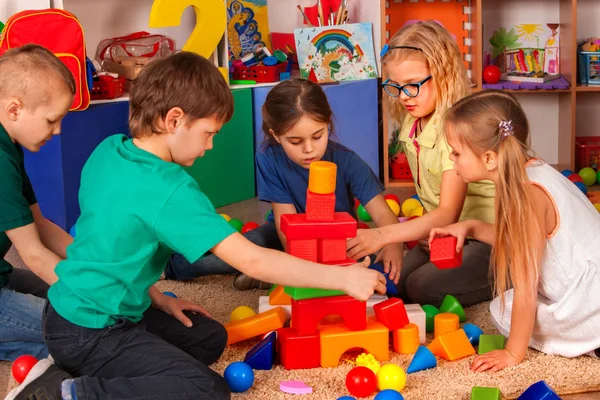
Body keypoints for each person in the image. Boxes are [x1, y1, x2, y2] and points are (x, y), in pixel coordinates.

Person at [10, 52, 386, 400]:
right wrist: (343, 278)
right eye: (208, 134)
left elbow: (111, 245)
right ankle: (63, 391)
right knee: (204, 388)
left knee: (208, 338)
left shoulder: (110, 149)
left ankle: (75, 364)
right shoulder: (171, 190)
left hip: (69, 313)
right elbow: (252, 261)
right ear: (174, 120)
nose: (209, 147)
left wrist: (156, 297)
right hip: (90, 330)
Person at [166, 78, 404, 290]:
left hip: (336, 239)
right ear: (276, 135)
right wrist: (303, 271)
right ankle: (173, 266)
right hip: (287, 240)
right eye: (295, 141)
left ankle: (267, 278)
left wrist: (392, 245)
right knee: (241, 249)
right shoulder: (269, 158)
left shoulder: (348, 161)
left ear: (328, 123)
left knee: (369, 264)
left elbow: (383, 213)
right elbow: (284, 224)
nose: (309, 149)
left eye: (318, 136)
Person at [429, 89, 600, 372]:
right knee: (504, 307)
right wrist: (470, 226)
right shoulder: (532, 171)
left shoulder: (527, 196)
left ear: (489, 159)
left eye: (457, 152)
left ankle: (592, 339)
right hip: (586, 286)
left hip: (590, 302)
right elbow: (522, 239)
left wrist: (512, 353)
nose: (451, 158)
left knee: (505, 311)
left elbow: (525, 287)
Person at [346, 21, 496, 307]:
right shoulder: (413, 119)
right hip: (447, 232)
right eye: (396, 86)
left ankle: (510, 273)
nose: (403, 96)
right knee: (394, 282)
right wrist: (424, 235)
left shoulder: (456, 130)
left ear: (444, 75)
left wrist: (383, 235)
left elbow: (447, 213)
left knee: (420, 288)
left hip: (487, 237)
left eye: (413, 85)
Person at [0, 44, 75, 361]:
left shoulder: (10, 147)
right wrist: (96, 295)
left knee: (66, 300)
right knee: (80, 335)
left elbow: (41, 228)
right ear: (14, 110)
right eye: (51, 120)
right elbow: (32, 254)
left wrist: (94, 267)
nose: (57, 131)